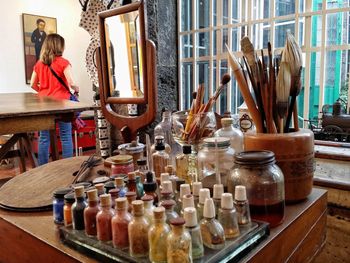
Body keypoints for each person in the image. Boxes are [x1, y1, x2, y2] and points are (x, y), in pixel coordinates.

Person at [30, 33, 79, 165]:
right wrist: (77, 90)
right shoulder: (64, 62)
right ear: (59, 46)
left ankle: (42, 168)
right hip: (62, 104)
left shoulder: (39, 64)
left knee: (44, 138)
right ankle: (67, 167)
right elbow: (72, 82)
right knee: (65, 136)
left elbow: (32, 84)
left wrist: (43, 92)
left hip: (44, 104)